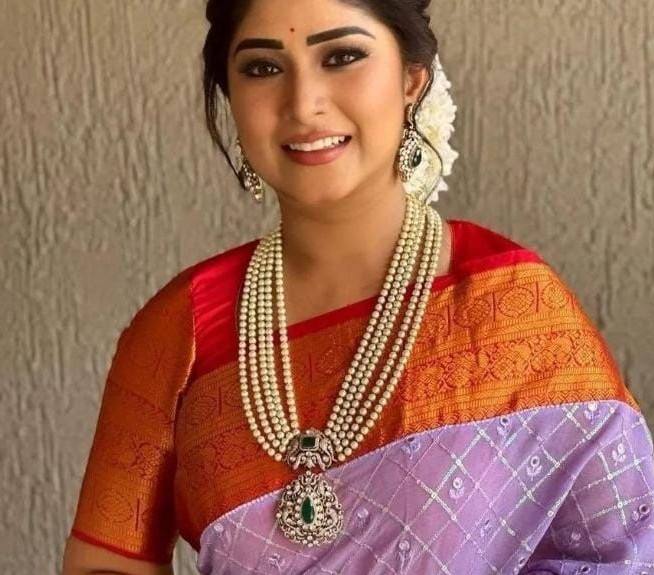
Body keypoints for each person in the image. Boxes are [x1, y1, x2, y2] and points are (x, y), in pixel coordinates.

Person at [63, 0, 654, 573]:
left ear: (412, 80)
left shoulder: (512, 305)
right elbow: (105, 565)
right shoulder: (182, 328)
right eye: (262, 68)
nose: (304, 103)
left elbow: (628, 552)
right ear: (231, 98)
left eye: (342, 57)